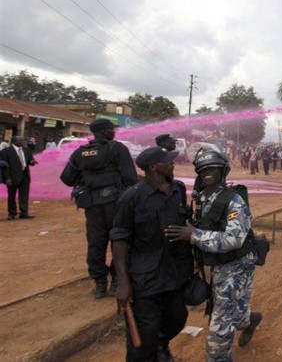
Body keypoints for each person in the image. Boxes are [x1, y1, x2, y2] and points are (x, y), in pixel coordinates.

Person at [164, 150, 262, 361]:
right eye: (203, 170)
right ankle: (248, 319)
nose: (208, 173)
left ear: (222, 171)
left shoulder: (234, 200)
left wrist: (194, 235)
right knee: (229, 310)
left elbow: (234, 239)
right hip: (215, 267)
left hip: (236, 267)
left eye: (212, 169)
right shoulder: (200, 199)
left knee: (219, 332)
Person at [111, 147, 193, 361]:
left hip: (175, 271)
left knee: (177, 317)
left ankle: (160, 345)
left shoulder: (178, 190)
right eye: (168, 161)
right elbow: (119, 240)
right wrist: (122, 282)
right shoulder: (132, 197)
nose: (173, 163)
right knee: (144, 332)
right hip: (145, 275)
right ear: (153, 167)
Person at [60, 119, 138, 299]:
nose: (114, 132)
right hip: (116, 204)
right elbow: (130, 177)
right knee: (120, 241)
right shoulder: (117, 149)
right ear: (103, 132)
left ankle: (100, 283)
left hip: (92, 206)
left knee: (95, 243)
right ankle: (117, 280)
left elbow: (66, 178)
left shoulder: (81, 153)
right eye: (111, 130)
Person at [0, 136, 37, 220]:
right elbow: (5, 167)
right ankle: (12, 213)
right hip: (12, 177)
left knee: (24, 195)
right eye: (21, 140)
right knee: (11, 196)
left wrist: (32, 162)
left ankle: (24, 212)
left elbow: (30, 161)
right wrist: (7, 178)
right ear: (14, 141)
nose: (23, 141)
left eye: (23, 140)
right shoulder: (5, 152)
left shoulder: (27, 150)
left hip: (25, 176)